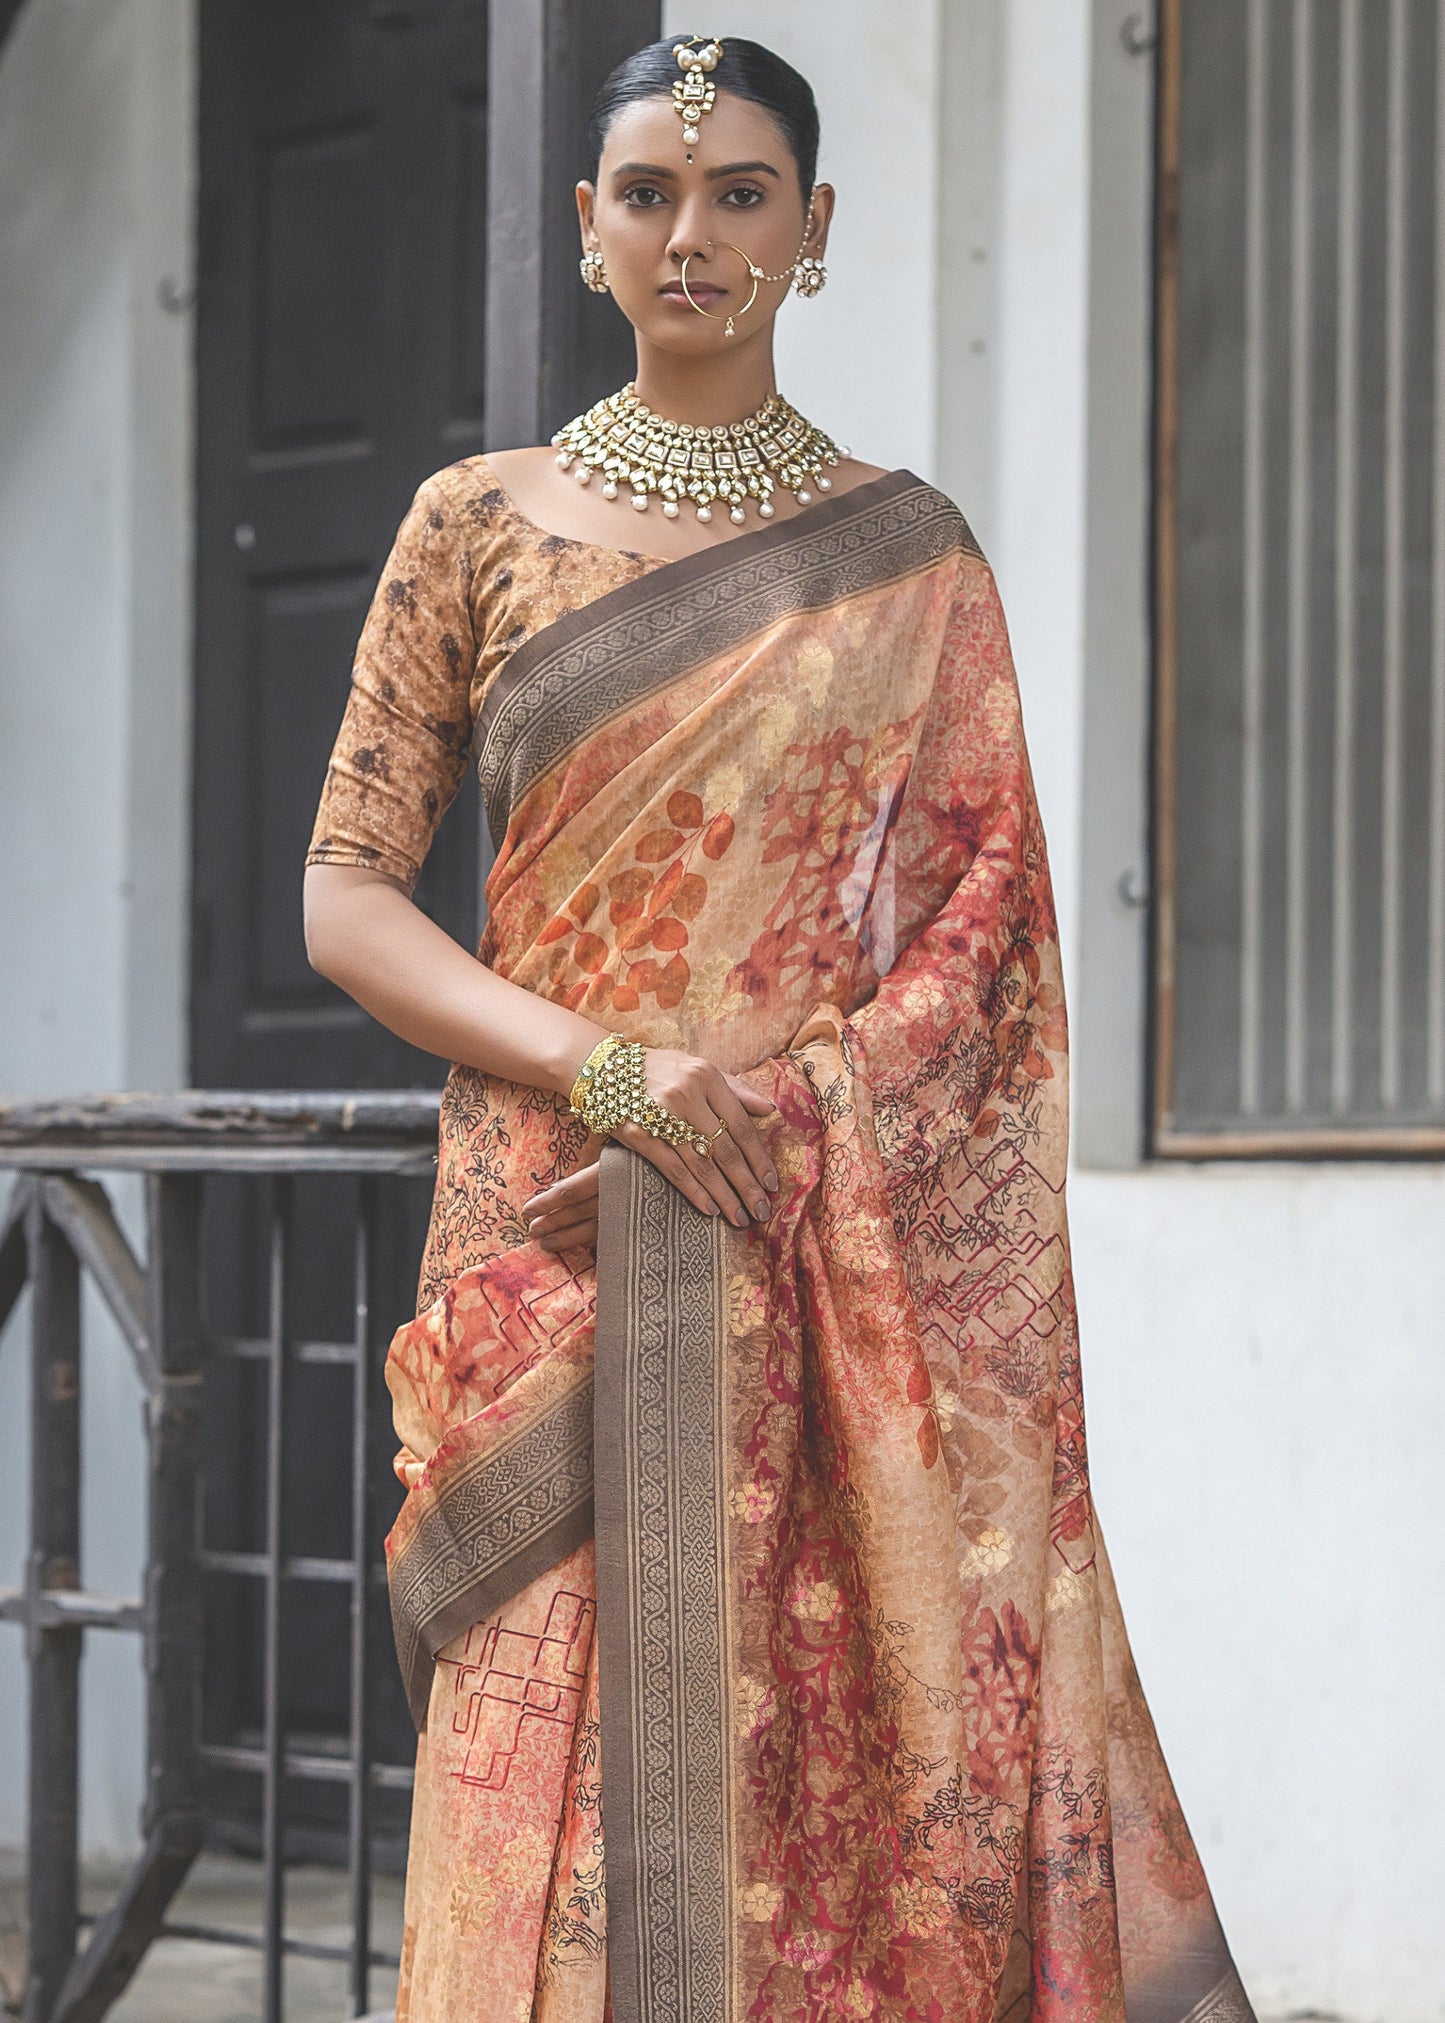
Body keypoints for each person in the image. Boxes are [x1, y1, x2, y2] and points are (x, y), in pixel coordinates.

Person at [303, 35, 1253, 2023]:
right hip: (546, 1254)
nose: (694, 232)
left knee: (793, 1789)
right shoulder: (473, 522)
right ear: (587, 231)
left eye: (743, 194)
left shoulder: (908, 559)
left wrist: (799, 1118)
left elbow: (987, 941)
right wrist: (621, 1073)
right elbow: (346, 896)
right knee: (525, 1769)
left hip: (792, 1252)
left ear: (814, 233)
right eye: (650, 191)